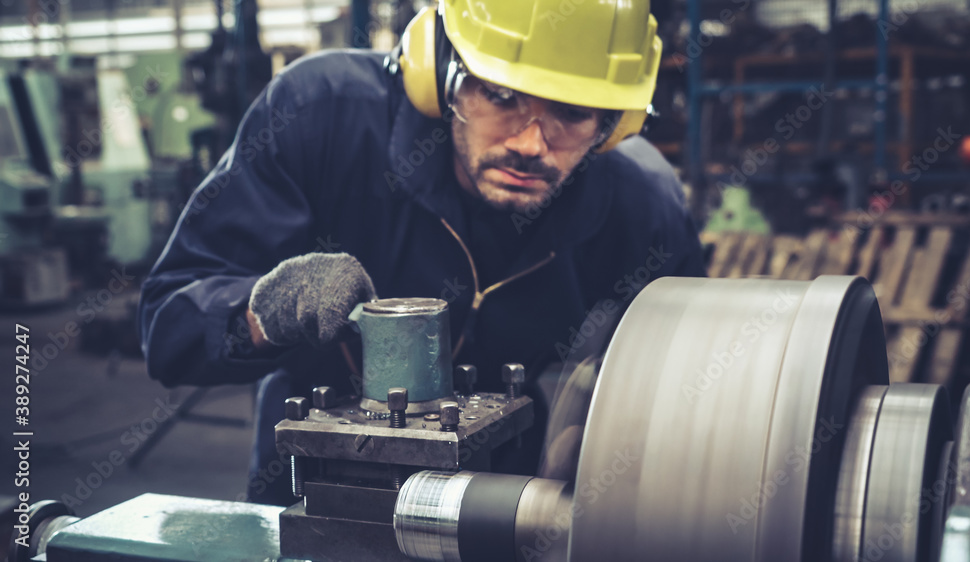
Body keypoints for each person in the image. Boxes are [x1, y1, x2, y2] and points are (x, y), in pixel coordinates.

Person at [138, 0, 706, 506]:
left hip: (501, 498)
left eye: (574, 113)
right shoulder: (320, 115)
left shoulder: (640, 205)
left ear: (616, 123)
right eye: (501, 96)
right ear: (436, 73)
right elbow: (168, 331)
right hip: (311, 486)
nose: (532, 144)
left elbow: (704, 390)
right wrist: (266, 313)